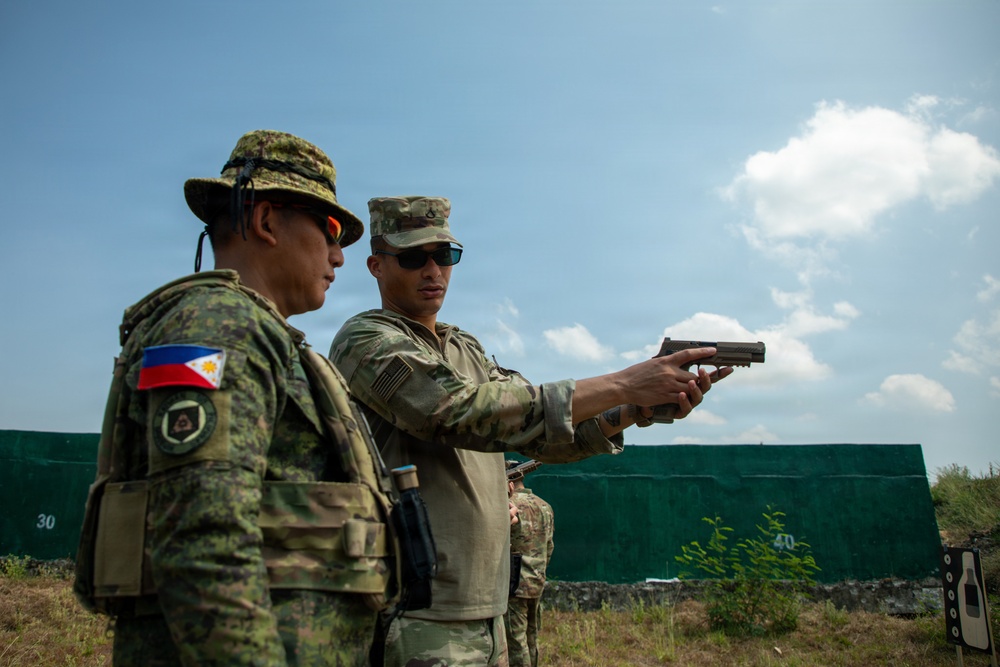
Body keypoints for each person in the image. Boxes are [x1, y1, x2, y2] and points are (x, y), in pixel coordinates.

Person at [329, 195, 733, 667]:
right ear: (376, 265)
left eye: (445, 256)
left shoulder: (466, 347)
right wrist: (625, 381)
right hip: (419, 612)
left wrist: (632, 407)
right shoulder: (366, 340)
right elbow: (461, 411)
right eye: (414, 257)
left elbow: (537, 427)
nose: (433, 271)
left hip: (488, 607)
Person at [73, 130, 397, 667]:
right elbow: (204, 540)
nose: (340, 256)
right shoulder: (218, 326)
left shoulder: (257, 335)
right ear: (266, 221)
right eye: (332, 230)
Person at [504, 465, 554, 667]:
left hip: (514, 584)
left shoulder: (507, 506)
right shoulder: (545, 506)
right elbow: (549, 546)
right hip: (537, 579)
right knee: (532, 637)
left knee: (516, 642)